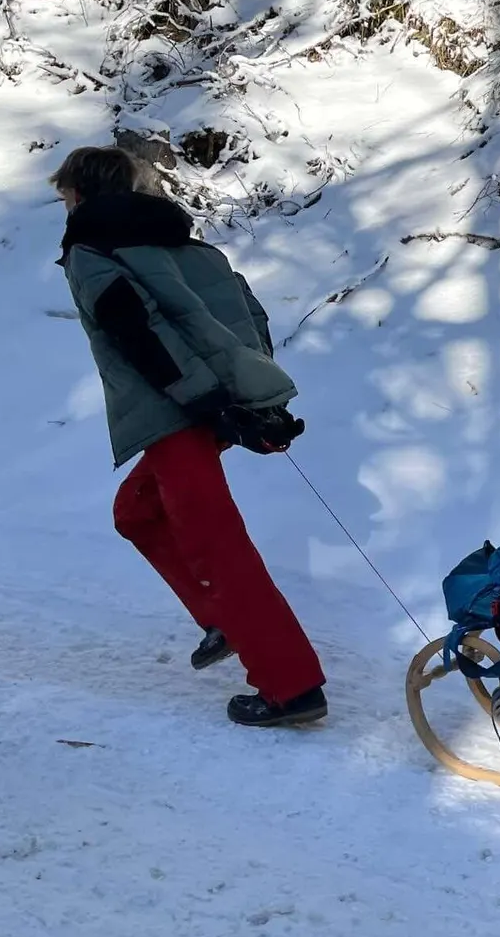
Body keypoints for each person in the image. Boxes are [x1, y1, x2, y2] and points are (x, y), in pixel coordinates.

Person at [52, 145, 328, 726]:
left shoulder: (89, 249)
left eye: (65, 195)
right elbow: (247, 313)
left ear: (79, 194)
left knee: (217, 545)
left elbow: (136, 330)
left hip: (178, 410)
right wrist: (256, 395)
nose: (64, 205)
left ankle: (291, 687)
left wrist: (209, 401)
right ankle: (222, 617)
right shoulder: (189, 243)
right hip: (201, 405)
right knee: (136, 512)